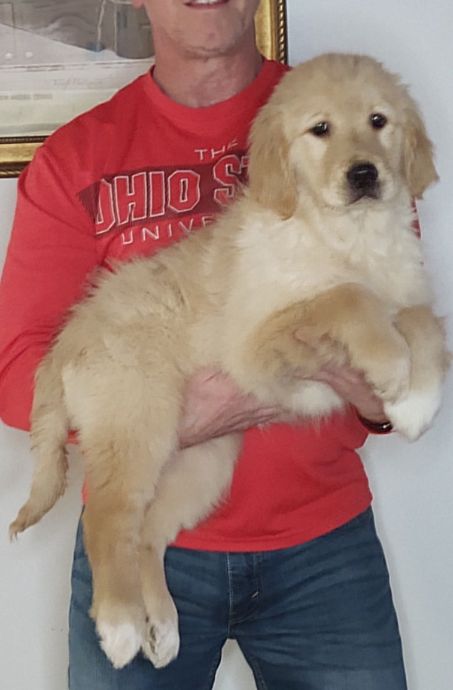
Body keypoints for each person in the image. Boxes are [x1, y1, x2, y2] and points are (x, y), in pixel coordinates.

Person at [0, 1, 408, 688]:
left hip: (324, 550)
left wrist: (380, 392)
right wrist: (178, 417)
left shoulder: (341, 114)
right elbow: (19, 373)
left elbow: (389, 351)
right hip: (142, 541)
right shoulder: (76, 157)